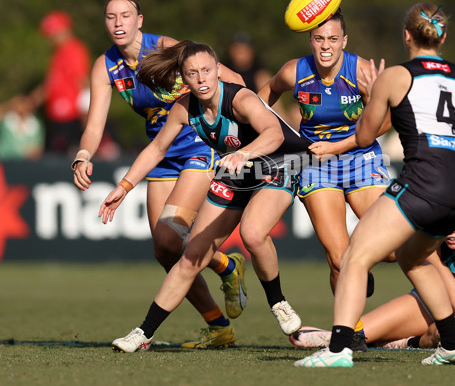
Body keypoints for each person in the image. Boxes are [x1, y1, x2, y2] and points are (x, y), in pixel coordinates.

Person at [294, 3, 455, 368]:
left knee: (355, 255)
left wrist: (373, 92)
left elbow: (363, 135)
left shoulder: (396, 77)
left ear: (406, 36)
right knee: (413, 257)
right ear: (443, 37)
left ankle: (339, 349)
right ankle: (453, 344)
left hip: (424, 184)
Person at [101, 41, 311, 352]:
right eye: (193, 73)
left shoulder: (239, 98)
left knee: (252, 233)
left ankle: (278, 302)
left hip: (281, 161)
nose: (202, 79)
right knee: (190, 257)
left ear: (217, 70)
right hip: (238, 167)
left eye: (207, 71)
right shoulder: (184, 108)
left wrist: (244, 154)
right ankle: (143, 334)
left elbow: (275, 134)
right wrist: (125, 185)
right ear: (183, 79)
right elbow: (157, 149)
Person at [72, 0, 247, 350]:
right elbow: (95, 123)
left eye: (125, 15)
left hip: (200, 146)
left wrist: (235, 124)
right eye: (110, 16)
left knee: (170, 236)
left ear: (140, 20)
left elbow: (234, 79)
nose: (118, 23)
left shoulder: (167, 48)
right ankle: (219, 319)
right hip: (162, 153)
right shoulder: (106, 65)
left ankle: (224, 272)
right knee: (165, 250)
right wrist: (83, 154)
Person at [258, 10, 392, 349]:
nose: (326, 46)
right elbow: (263, 96)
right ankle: (353, 331)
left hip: (361, 159)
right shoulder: (294, 71)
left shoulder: (361, 71)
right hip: (316, 165)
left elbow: (386, 120)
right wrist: (265, 131)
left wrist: (341, 145)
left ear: (344, 41)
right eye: (319, 39)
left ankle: (361, 274)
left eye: (333, 39)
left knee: (392, 248)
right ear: (310, 40)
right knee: (339, 258)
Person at [290, 200, 455, 351]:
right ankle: (337, 337)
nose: (451, 232)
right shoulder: (432, 241)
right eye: (447, 225)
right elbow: (453, 296)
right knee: (358, 333)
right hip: (434, 303)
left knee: (448, 330)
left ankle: (405, 342)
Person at [34, 10, 90, 155]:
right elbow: (51, 84)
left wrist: (87, 110)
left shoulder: (74, 50)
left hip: (70, 117)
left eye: (52, 32)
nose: (49, 38)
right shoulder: (58, 53)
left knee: (64, 158)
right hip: (57, 116)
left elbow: (83, 82)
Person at [0, 92, 44, 160]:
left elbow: (38, 148)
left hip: (25, 163)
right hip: (5, 160)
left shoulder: (35, 125)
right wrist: (9, 105)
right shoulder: (6, 120)